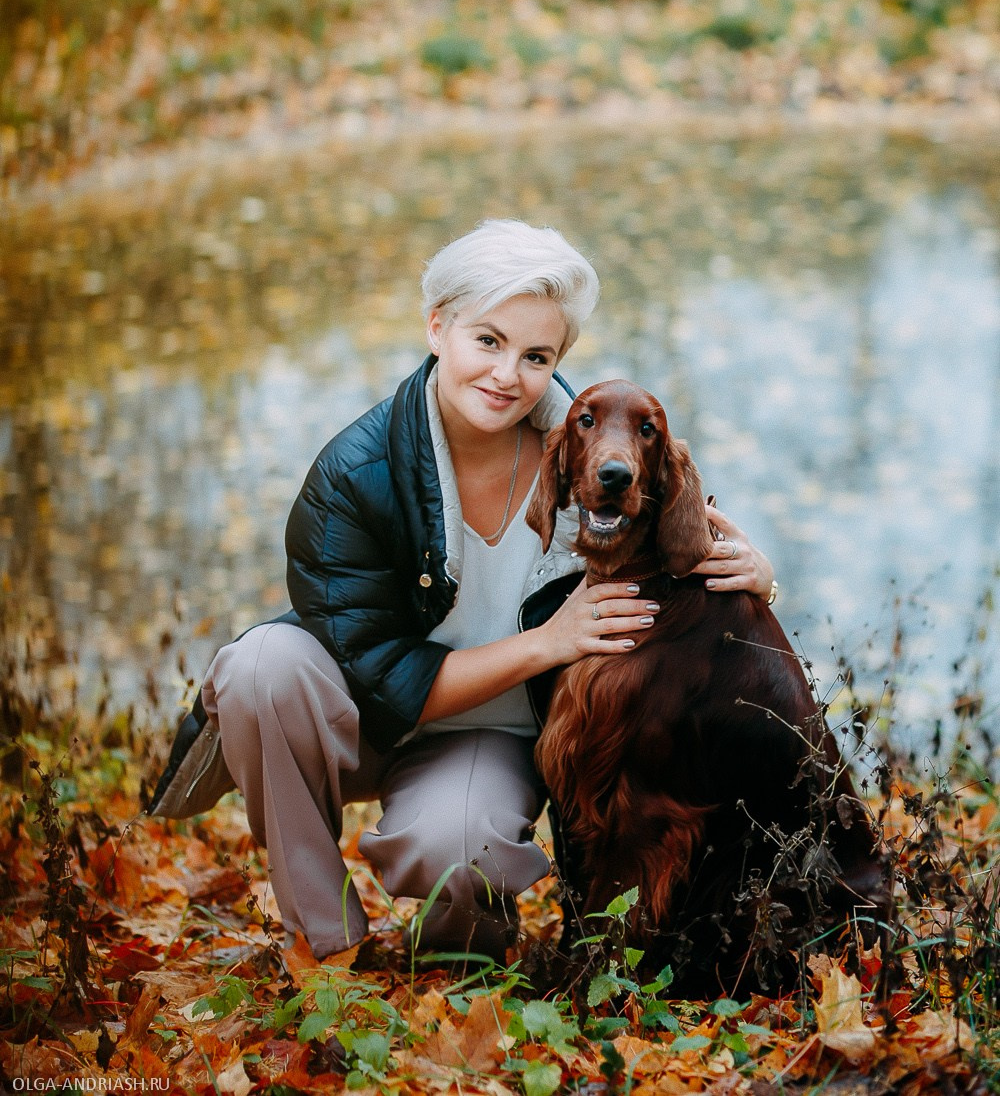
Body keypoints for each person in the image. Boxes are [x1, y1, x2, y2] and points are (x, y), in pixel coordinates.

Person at [148, 219, 774, 962]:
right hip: (364, 720)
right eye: (488, 341)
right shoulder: (353, 475)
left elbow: (683, 540)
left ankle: (457, 950)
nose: (508, 374)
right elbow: (380, 681)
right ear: (437, 326)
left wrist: (761, 576)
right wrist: (551, 640)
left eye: (536, 355)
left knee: (461, 850)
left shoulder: (594, 454)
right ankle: (323, 945)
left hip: (498, 735)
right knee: (259, 667)